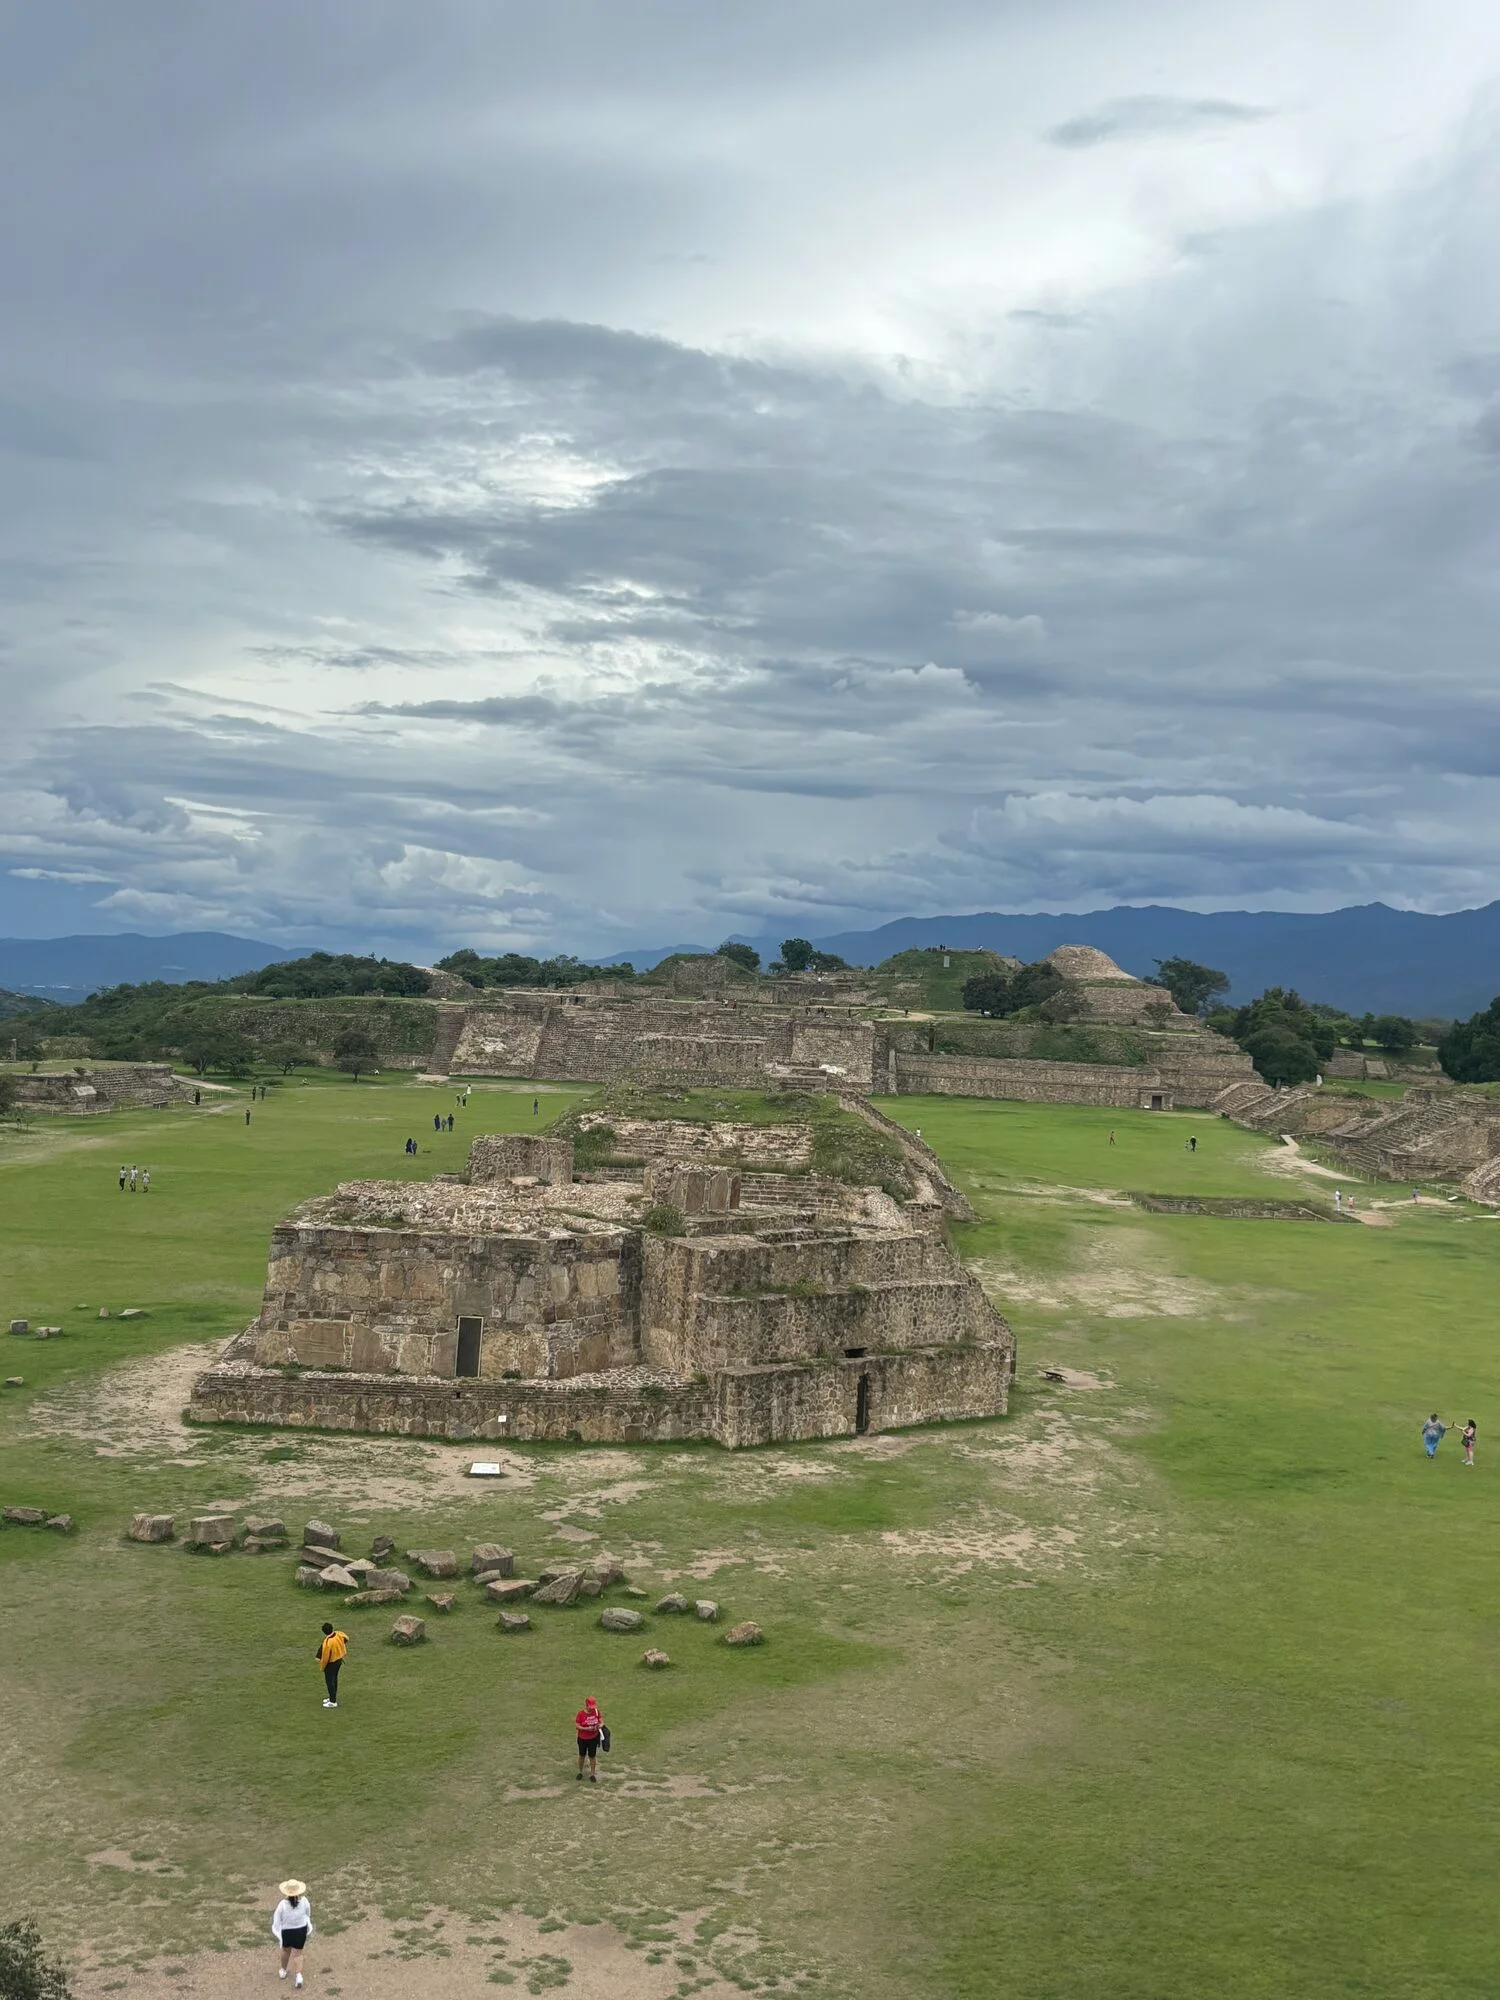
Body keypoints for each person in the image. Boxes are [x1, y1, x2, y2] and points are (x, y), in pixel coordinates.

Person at [271, 1880, 313, 1986]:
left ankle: (283, 1971)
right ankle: (299, 1976)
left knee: (286, 1951)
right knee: (298, 1953)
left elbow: (277, 1919)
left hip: (287, 1932)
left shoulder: (282, 1905)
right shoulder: (304, 1901)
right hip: (300, 1930)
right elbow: (308, 1914)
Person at [317, 1622, 348, 1707]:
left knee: (330, 1681)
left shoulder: (328, 1642)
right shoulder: (339, 1634)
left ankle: (333, 1702)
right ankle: (332, 1697)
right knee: (334, 1679)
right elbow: (346, 1638)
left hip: (331, 1663)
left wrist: (322, 1667)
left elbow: (325, 1657)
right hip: (339, 1660)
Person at [575, 1695, 604, 1781]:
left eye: (593, 1707)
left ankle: (592, 1774)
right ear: (586, 1705)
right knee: (582, 1755)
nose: (592, 1709)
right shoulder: (580, 1714)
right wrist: (585, 1728)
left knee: (592, 1756)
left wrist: (599, 1726)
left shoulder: (596, 1712)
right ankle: (580, 1772)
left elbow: (602, 1721)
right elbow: (577, 1725)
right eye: (590, 1707)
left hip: (593, 1738)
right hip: (582, 1738)